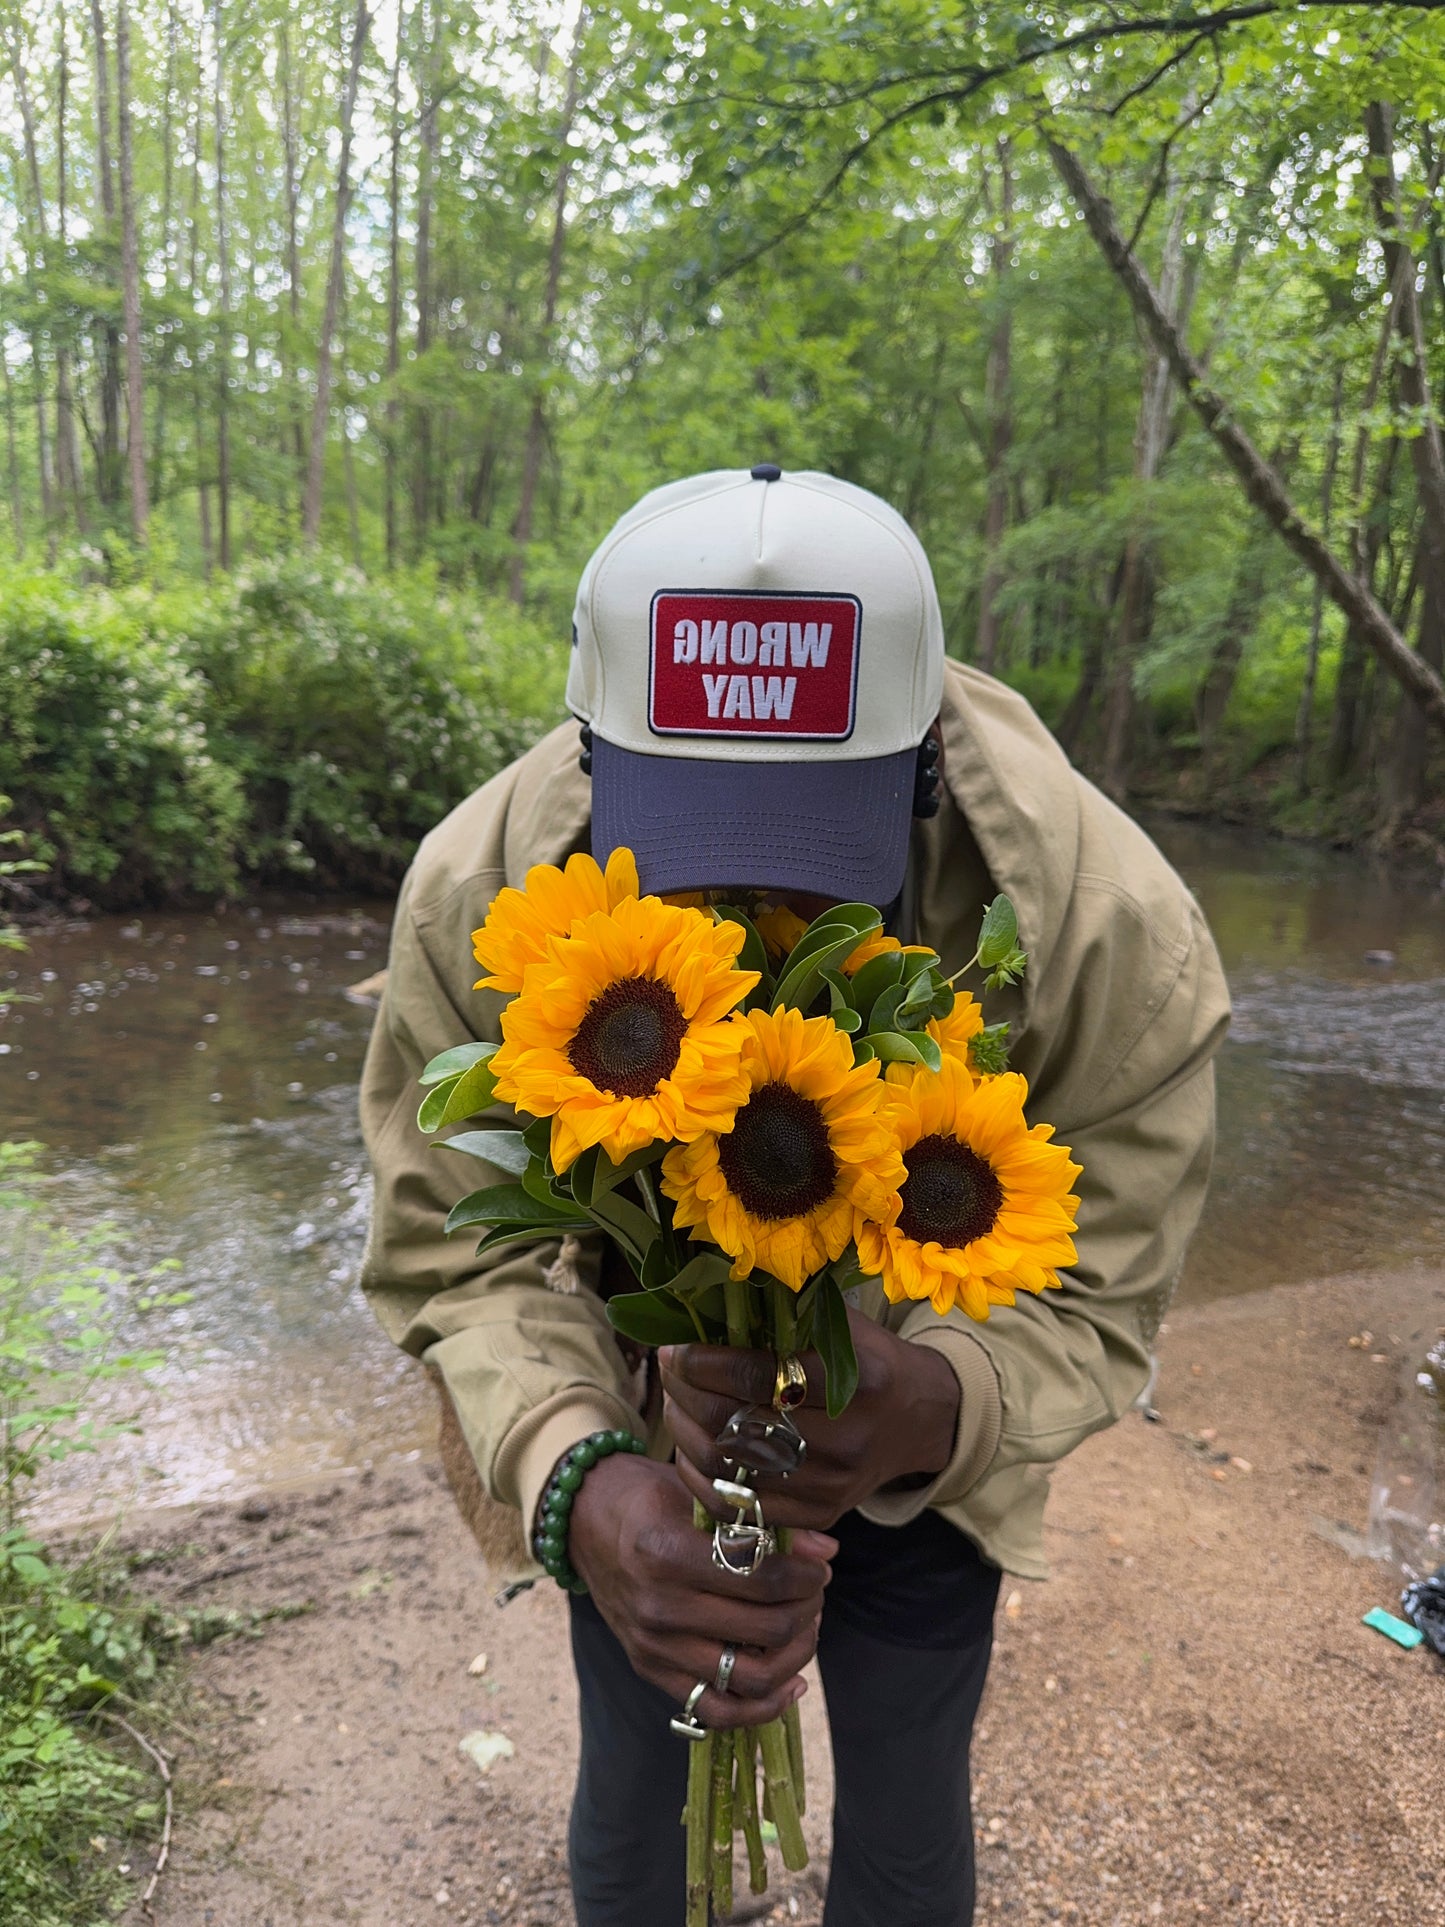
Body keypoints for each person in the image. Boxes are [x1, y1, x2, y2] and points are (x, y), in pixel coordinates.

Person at [358, 466, 1231, 1926]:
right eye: (699, 838)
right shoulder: (475, 892)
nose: (756, 905)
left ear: (925, 760)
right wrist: (582, 1479)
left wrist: (931, 1403)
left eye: (816, 846)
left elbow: (1104, 1283)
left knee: (906, 1779)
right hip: (650, 1429)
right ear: (590, 747)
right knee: (636, 1792)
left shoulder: (1107, 931)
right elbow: (451, 1245)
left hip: (930, 1452)